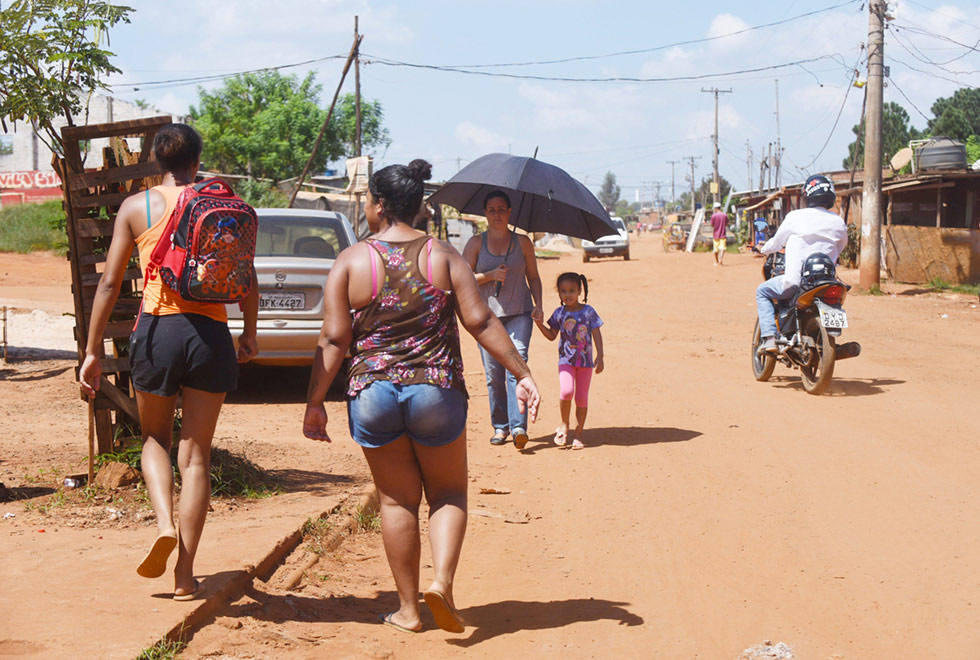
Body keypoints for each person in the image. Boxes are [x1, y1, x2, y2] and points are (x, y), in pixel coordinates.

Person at [303, 159, 541, 634]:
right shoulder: (445, 256)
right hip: (436, 391)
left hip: (372, 393)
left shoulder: (351, 260)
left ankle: (409, 611)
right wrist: (523, 372)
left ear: (379, 205)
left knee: (396, 502)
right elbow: (480, 322)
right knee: (449, 493)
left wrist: (314, 404)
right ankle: (443, 583)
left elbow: (333, 339)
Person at [78, 123, 259, 600]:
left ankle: (162, 523)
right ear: (197, 162)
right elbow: (248, 277)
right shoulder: (220, 207)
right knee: (196, 455)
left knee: (155, 437)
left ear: (156, 160)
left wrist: (93, 350)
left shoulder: (136, 207)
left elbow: (110, 282)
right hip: (210, 335)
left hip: (158, 331)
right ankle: (185, 573)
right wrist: (249, 333)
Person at [462, 190, 544, 448]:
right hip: (487, 320)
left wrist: (539, 303)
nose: (497, 214)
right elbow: (463, 279)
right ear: (485, 213)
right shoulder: (476, 244)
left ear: (509, 212)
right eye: (492, 209)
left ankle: (519, 427)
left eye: (501, 209)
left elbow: (534, 277)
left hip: (520, 313)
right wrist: (489, 275)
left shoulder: (523, 243)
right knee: (493, 374)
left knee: (516, 366)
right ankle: (500, 426)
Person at [756, 174, 848, 353]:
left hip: (796, 282)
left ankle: (768, 338)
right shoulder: (838, 221)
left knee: (762, 291)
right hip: (827, 282)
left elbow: (776, 243)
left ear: (807, 195)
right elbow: (841, 246)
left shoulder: (795, 216)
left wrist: (763, 249)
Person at [533, 272, 604, 451]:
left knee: (581, 399)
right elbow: (551, 336)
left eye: (572, 290)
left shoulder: (589, 312)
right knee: (566, 391)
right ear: (559, 293)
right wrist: (539, 324)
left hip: (586, 363)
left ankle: (578, 434)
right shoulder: (559, 313)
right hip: (566, 360)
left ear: (580, 290)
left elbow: (596, 333)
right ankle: (565, 424)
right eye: (563, 291)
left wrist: (600, 356)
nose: (568, 294)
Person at [709, 202, 728, 266]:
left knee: (715, 249)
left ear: (715, 208)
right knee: (722, 248)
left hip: (716, 235)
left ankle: (717, 261)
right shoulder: (725, 215)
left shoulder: (713, 216)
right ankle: (720, 259)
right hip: (723, 234)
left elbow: (711, 225)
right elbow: (727, 224)